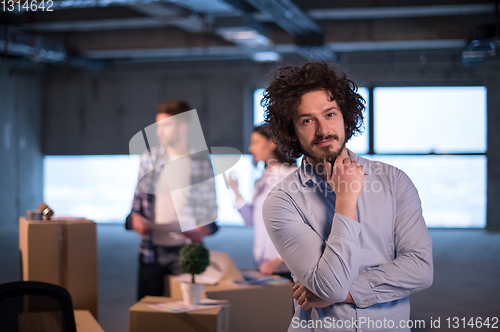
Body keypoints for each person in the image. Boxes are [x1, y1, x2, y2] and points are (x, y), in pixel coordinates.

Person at [261, 62, 433, 331]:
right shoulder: (282, 201)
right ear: (291, 129)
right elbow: (330, 286)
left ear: (345, 116)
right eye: (307, 120)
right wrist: (346, 200)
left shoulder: (394, 181)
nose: (322, 130)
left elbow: (421, 270)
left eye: (330, 114)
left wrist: (346, 293)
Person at [126, 99, 218, 300]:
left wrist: (205, 228)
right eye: (158, 126)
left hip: (187, 251)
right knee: (148, 314)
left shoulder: (200, 161)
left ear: (183, 127)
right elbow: (137, 203)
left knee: (187, 316)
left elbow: (211, 211)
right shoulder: (149, 158)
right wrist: (134, 218)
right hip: (151, 250)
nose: (159, 132)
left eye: (165, 126)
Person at [228, 124, 296, 281]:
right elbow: (251, 220)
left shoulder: (291, 176)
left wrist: (280, 259)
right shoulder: (262, 180)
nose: (251, 148)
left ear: (272, 142)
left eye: (256, 142)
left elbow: (300, 224)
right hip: (263, 267)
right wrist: (236, 192)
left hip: (285, 269)